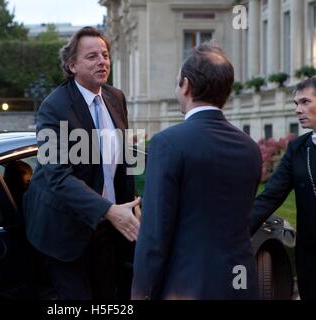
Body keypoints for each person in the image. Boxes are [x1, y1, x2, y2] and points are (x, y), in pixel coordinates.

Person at [131, 42, 262, 300]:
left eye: (177, 82)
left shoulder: (167, 143)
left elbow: (155, 233)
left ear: (186, 86)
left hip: (185, 285)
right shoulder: (250, 147)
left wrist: (140, 291)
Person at [23, 26, 141, 300]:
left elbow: (125, 158)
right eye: (92, 56)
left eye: (105, 55)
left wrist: (134, 204)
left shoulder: (116, 97)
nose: (102, 61)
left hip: (108, 227)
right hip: (64, 231)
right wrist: (109, 210)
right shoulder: (53, 107)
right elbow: (57, 176)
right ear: (71, 64)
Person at [250, 77, 316, 300]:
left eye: (305, 102)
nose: (298, 110)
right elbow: (269, 197)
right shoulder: (298, 150)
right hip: (311, 259)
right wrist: (233, 232)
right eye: (296, 104)